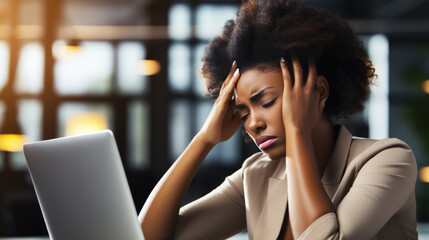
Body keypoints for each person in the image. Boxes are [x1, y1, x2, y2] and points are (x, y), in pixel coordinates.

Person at [138, 0, 418, 239]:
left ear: (318, 91)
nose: (252, 124)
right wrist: (204, 139)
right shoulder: (257, 176)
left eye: (267, 101)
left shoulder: (388, 160)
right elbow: (147, 236)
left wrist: (297, 130)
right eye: (242, 111)